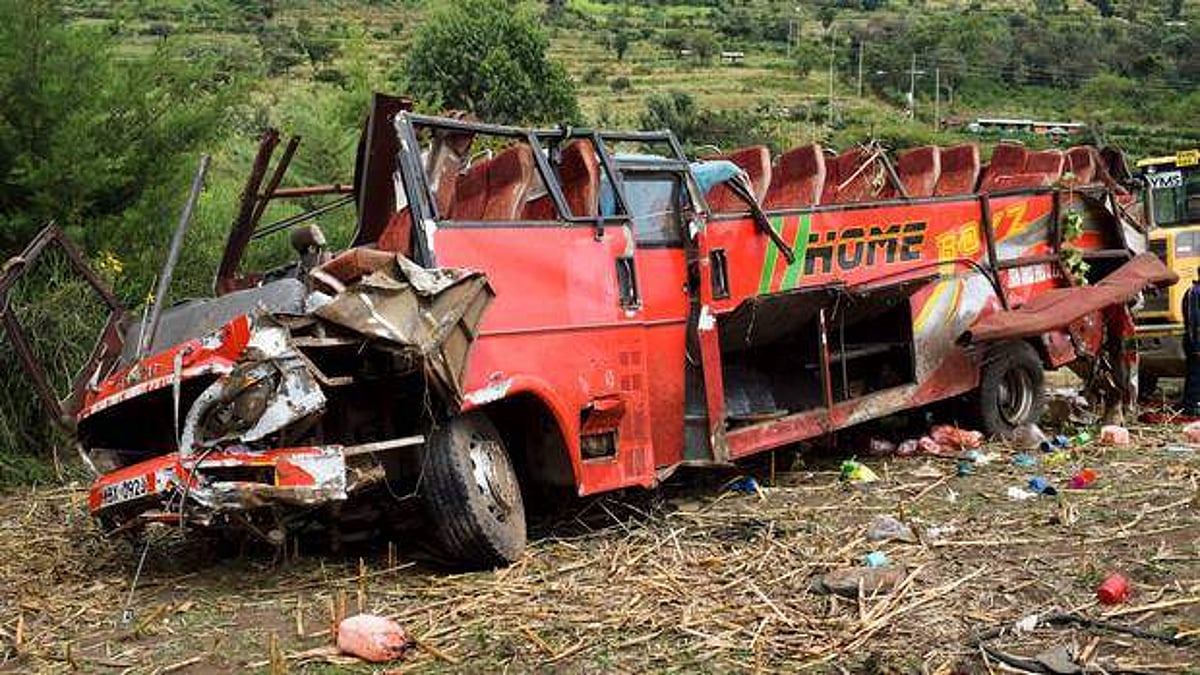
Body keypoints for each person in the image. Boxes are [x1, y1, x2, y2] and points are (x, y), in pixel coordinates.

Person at [1182, 270, 1200, 416]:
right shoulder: (1194, 293)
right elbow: (1193, 321)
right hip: (1196, 342)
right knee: (1195, 374)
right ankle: (1191, 406)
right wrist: (1196, 346)